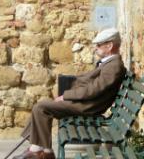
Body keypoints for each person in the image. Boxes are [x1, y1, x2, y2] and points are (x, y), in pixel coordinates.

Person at [12, 28, 126, 159]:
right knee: (42, 107)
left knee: (41, 107)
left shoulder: (114, 65)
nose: (95, 48)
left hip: (89, 106)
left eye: (99, 45)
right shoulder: (109, 63)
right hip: (87, 102)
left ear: (109, 45)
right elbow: (92, 85)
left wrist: (66, 96)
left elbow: (94, 90)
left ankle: (41, 151)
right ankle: (40, 150)